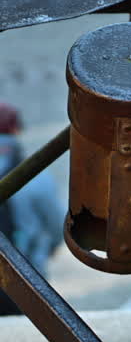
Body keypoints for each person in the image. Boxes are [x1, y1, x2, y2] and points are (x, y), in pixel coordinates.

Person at [0, 104, 65, 295]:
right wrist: (50, 247)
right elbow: (56, 226)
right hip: (24, 282)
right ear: (15, 129)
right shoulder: (35, 175)